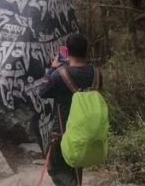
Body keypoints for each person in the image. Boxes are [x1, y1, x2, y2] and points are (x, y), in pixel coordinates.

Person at [40, 33, 101, 186]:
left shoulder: (59, 75)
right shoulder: (97, 74)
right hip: (86, 133)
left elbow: (43, 92)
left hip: (62, 133)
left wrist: (53, 68)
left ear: (67, 51)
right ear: (86, 51)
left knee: (57, 169)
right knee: (75, 170)